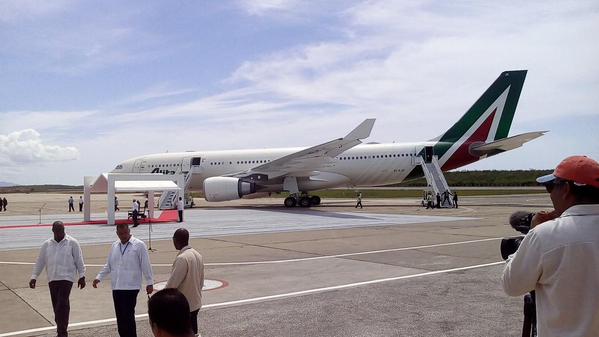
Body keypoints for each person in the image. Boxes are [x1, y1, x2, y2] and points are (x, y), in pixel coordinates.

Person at [502, 155, 599, 337]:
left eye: (550, 187)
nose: (550, 194)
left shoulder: (545, 235)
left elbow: (511, 285)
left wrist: (528, 238)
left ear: (566, 189)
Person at [93, 224, 154, 337]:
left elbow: (146, 265)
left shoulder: (139, 245)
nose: (123, 236)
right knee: (120, 317)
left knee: (128, 315)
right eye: (120, 234)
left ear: (129, 231)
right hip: (117, 287)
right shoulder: (114, 246)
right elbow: (109, 265)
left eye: (125, 233)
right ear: (117, 233)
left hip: (131, 287)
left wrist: (150, 283)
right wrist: (99, 277)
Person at [30, 221, 86, 337]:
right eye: (58, 230)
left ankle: (62, 332)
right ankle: (61, 328)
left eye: (62, 230)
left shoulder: (72, 243)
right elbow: (40, 261)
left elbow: (79, 260)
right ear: (53, 231)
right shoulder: (47, 244)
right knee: (57, 306)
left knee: (62, 303)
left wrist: (82, 275)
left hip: (67, 278)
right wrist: (34, 277)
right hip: (53, 278)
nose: (61, 232)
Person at [165, 229, 204, 336]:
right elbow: (201, 281)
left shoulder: (182, 258)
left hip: (184, 305)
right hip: (196, 302)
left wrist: (161, 298)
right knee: (193, 331)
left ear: (176, 240)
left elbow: (172, 285)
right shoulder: (197, 255)